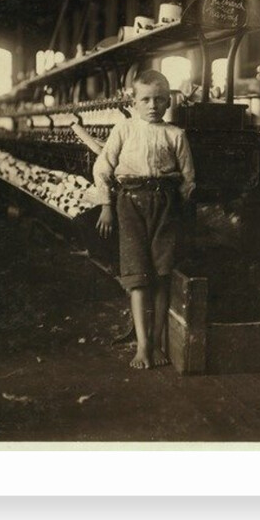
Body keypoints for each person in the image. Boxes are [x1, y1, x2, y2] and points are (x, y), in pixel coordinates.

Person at [93, 70, 196, 369]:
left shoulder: (176, 134)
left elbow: (188, 179)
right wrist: (106, 206)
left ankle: (160, 341)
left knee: (163, 276)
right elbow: (102, 169)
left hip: (166, 205)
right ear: (133, 101)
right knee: (138, 277)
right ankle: (142, 346)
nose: (153, 105)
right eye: (145, 99)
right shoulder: (123, 129)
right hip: (129, 204)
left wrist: (183, 205)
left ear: (168, 102)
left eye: (160, 99)